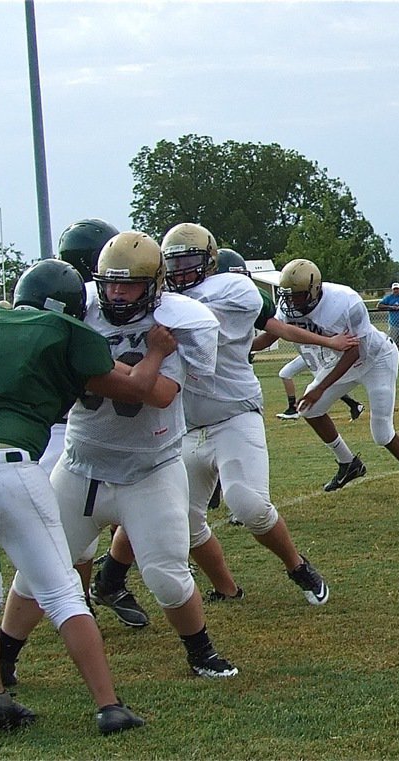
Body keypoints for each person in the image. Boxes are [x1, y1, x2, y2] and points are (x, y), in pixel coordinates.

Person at [0, 258, 167, 733]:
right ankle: (108, 706)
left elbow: (2, 328)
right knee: (62, 594)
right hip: (9, 470)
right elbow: (140, 387)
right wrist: (157, 350)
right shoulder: (68, 335)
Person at [1, 232, 241, 683]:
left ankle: (201, 652)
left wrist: (139, 361)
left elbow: (162, 394)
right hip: (79, 466)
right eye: (109, 283)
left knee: (167, 576)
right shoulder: (80, 313)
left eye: (128, 284)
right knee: (36, 571)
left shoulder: (176, 324)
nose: (116, 293)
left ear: (155, 284)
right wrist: (145, 359)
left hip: (149, 469)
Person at [155, 222, 337, 606]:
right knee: (183, 522)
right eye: (175, 262)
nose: (182, 269)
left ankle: (296, 565)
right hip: (187, 424)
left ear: (210, 262)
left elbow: (265, 319)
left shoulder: (231, 289)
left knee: (248, 503)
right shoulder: (160, 299)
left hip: (234, 413)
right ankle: (226, 588)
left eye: (190, 260)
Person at [274, 259, 399, 493]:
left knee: (381, 433)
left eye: (297, 295)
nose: (291, 301)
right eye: (288, 295)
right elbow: (276, 330)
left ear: (314, 290)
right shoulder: (289, 305)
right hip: (341, 361)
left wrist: (321, 388)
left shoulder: (345, 301)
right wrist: (247, 347)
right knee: (308, 408)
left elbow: (355, 351)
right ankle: (348, 464)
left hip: (376, 359)